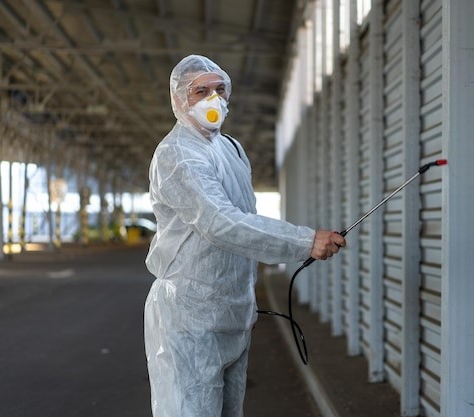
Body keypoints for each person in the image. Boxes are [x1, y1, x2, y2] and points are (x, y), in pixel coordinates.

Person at [144, 54, 346, 417]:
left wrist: (247, 298)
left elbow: (246, 221)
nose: (213, 99)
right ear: (178, 100)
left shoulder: (231, 149)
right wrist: (304, 241)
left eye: (219, 89)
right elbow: (220, 223)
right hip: (192, 315)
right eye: (199, 91)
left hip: (233, 309)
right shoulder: (178, 154)